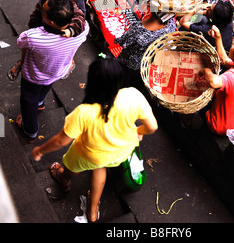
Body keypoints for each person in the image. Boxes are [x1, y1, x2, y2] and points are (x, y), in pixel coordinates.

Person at [31, 55, 158, 223]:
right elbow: (152, 127)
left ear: (92, 82)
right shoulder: (133, 95)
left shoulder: (84, 112)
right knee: (101, 168)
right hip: (119, 153)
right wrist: (138, 131)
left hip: (88, 154)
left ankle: (63, 180)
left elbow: (61, 141)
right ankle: (93, 210)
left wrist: (40, 150)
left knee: (72, 167)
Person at [15, 0, 89, 143]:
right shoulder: (83, 29)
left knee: (28, 100)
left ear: (51, 22)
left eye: (43, 10)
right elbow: (81, 17)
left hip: (33, 76)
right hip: (57, 71)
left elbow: (20, 43)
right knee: (45, 87)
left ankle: (30, 130)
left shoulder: (33, 37)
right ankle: (40, 103)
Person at [7, 0, 86, 81]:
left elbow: (80, 19)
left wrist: (71, 31)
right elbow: (36, 14)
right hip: (43, 32)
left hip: (61, 37)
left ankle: (69, 63)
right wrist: (34, 29)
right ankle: (21, 62)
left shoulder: (72, 7)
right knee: (32, 51)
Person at [115, 10, 176, 86]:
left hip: (128, 64)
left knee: (120, 80)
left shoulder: (139, 29)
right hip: (145, 66)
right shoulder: (170, 23)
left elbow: (123, 42)